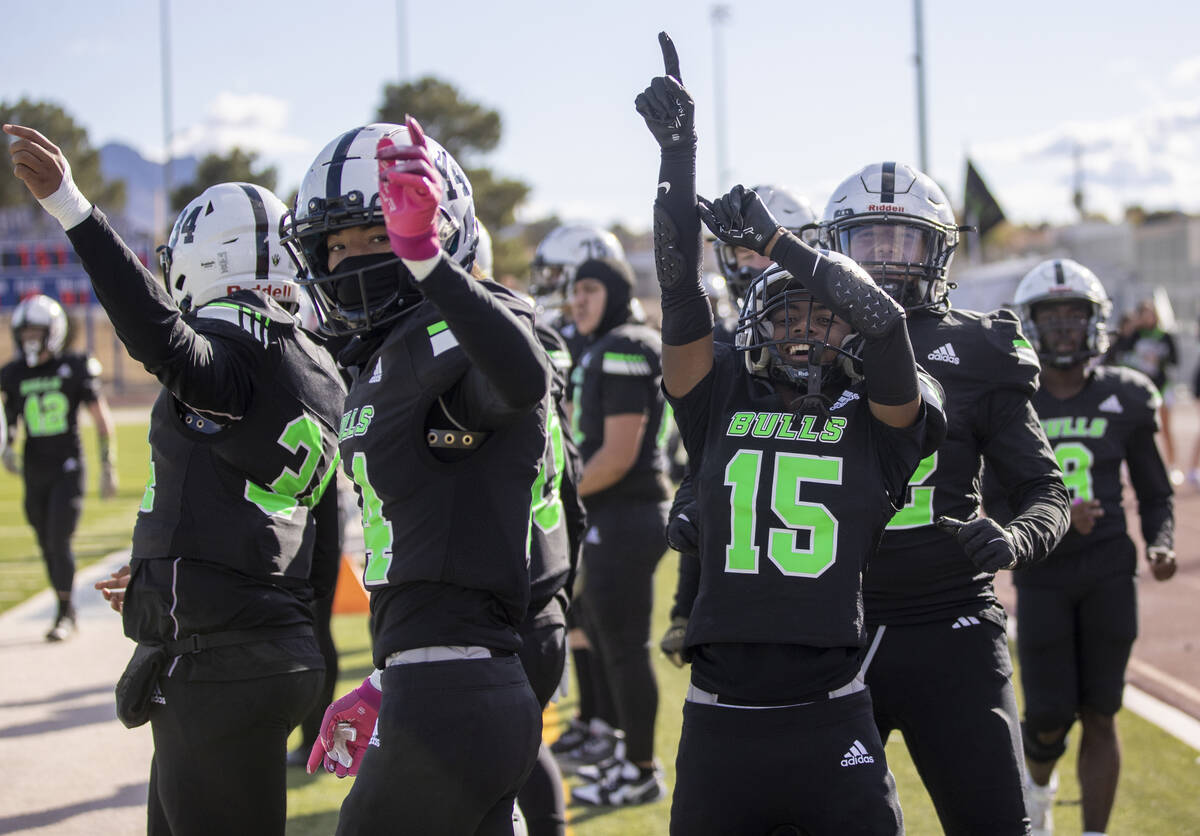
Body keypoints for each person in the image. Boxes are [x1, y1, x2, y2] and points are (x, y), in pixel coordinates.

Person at [635, 34, 946, 834]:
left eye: (820, 314)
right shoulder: (717, 396)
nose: (806, 330)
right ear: (755, 324)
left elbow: (883, 325)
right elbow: (677, 289)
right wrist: (679, 159)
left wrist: (779, 244)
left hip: (831, 710)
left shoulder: (878, 420)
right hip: (717, 712)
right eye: (788, 314)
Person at [5, 123, 346, 836]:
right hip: (260, 641)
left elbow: (165, 341)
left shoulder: (242, 349)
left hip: (225, 657)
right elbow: (289, 521)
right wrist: (170, 568)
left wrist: (73, 208)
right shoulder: (312, 359)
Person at [289, 118, 550, 835]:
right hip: (458, 684)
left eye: (378, 236)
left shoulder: (455, 335)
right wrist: (386, 677)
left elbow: (523, 378)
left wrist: (428, 261)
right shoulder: (387, 358)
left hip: (455, 692)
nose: (354, 262)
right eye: (336, 246)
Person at [817, 161, 1071, 834]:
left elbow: (1047, 491)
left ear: (939, 251)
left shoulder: (979, 347)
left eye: (906, 242)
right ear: (836, 249)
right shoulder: (806, 340)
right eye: (870, 241)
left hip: (952, 622)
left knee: (993, 823)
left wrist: (1016, 538)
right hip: (833, 625)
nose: (889, 261)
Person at [1006, 259, 1175, 836]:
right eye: (1050, 317)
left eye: (1073, 316)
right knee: (1049, 715)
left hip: (1107, 569)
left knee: (1102, 711)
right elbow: (995, 499)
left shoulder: (1126, 395)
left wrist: (1161, 543)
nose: (1062, 329)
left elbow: (1155, 492)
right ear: (1030, 324)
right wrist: (1052, 520)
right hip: (1044, 576)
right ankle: (1038, 786)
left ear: (1094, 323)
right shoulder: (1012, 399)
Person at [563, 256, 672, 806]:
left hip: (627, 513)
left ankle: (642, 770)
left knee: (626, 649)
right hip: (610, 514)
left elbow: (618, 454)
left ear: (613, 291)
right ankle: (623, 755)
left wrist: (559, 496)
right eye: (573, 290)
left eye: (588, 288)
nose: (576, 300)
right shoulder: (606, 344)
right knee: (604, 641)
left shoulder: (627, 344)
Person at [1, 292, 117, 641]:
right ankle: (64, 605)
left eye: (36, 332)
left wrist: (106, 462)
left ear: (53, 330)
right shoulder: (14, 373)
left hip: (68, 466)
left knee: (58, 537)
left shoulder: (74, 366)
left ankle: (65, 612)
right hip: (35, 469)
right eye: (25, 333)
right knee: (44, 541)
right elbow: (10, 420)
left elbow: (101, 418)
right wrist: (7, 446)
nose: (30, 339)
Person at [1110, 298, 1179, 480]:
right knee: (1135, 429)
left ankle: (1172, 467)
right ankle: (1133, 470)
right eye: (1144, 313)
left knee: (1165, 428)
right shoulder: (1136, 336)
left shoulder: (1164, 336)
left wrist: (1157, 358)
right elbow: (1120, 352)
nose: (1148, 316)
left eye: (1151, 313)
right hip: (1138, 391)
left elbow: (1175, 360)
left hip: (1162, 388)